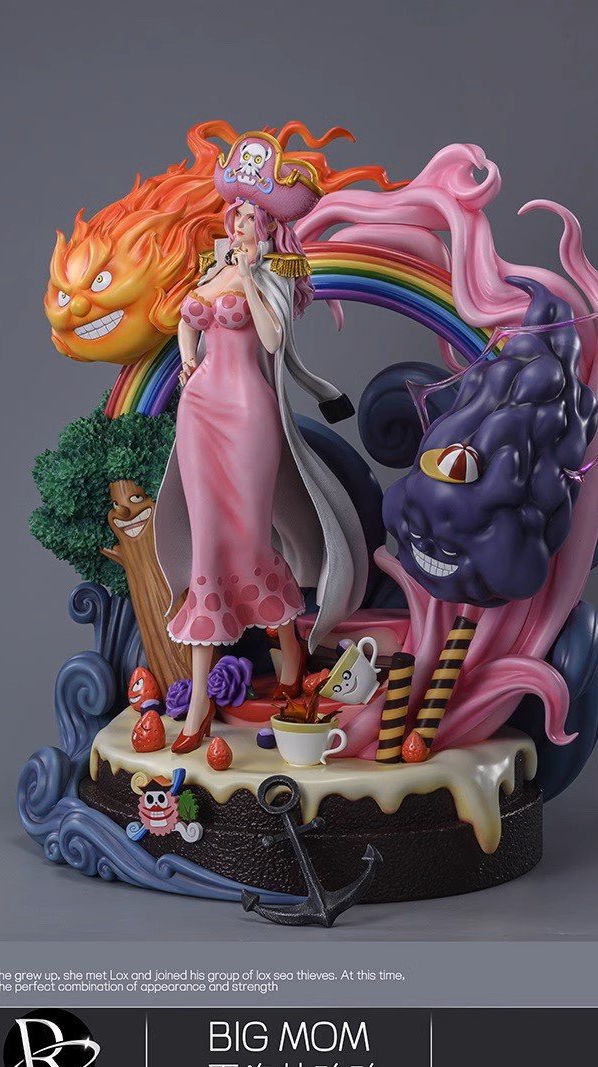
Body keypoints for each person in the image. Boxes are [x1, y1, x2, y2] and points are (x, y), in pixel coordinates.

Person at [153, 131, 367, 752]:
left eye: (253, 217)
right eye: (239, 214)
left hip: (247, 413)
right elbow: (185, 317)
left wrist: (249, 279)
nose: (242, 223)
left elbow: (272, 341)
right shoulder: (215, 267)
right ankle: (198, 704)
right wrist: (188, 359)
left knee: (248, 537)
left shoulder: (271, 275)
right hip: (199, 412)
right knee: (207, 545)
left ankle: (291, 657)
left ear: (270, 227)